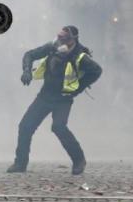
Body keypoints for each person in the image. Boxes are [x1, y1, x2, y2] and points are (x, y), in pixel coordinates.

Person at [8, 25, 102, 175]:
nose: (60, 41)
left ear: (72, 40)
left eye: (64, 39)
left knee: (58, 127)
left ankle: (79, 160)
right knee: (25, 126)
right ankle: (20, 163)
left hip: (63, 98)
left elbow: (97, 71)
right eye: (59, 37)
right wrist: (27, 71)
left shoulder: (80, 55)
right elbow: (29, 55)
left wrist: (78, 88)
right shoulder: (52, 47)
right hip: (45, 95)